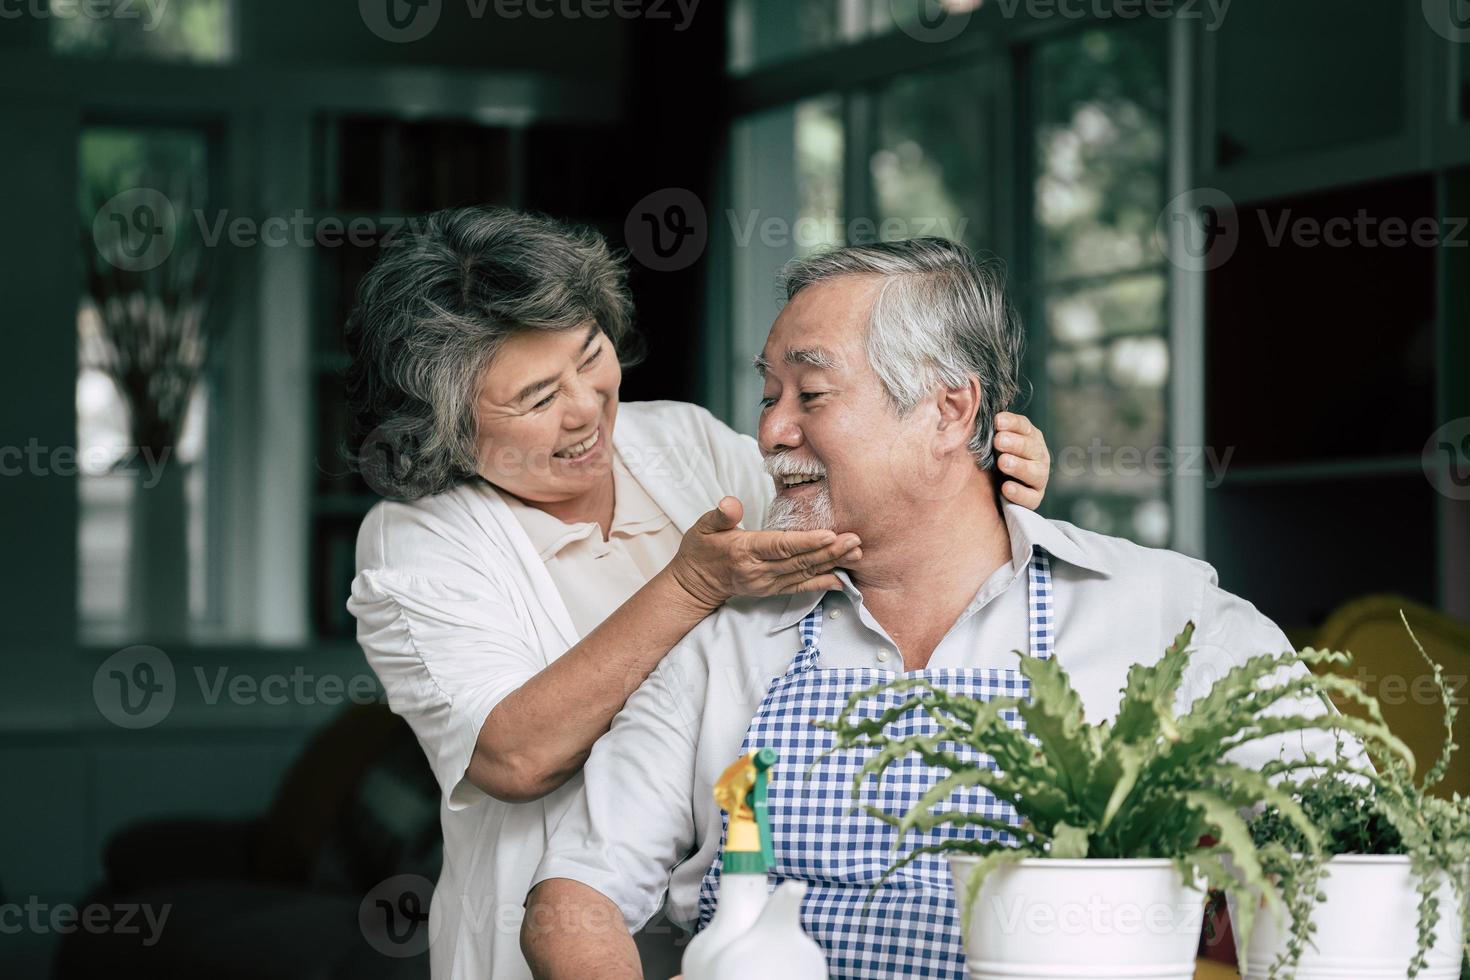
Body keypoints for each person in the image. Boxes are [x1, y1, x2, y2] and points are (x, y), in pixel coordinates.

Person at [520, 237, 1342, 980]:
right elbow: (574, 897)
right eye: (769, 394)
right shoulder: (724, 640)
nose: (771, 431)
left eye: (811, 393)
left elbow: (1348, 843)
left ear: (950, 411)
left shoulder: (1168, 616)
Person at [343, 209, 1053, 980]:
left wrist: (980, 477)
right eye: (538, 397)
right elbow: (513, 756)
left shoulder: (678, 442)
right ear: (448, 425)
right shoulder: (416, 542)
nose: (587, 408)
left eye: (590, 356)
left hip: (738, 931)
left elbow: (859, 524)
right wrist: (690, 585)